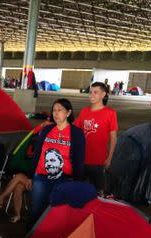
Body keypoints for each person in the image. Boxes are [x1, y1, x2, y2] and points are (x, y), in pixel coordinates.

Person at [28, 99, 85, 227]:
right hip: (41, 177)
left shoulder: (76, 133)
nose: (56, 113)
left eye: (60, 110)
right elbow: (37, 154)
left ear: (68, 113)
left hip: (64, 179)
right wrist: (30, 175)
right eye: (54, 110)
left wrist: (77, 181)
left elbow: (79, 159)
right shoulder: (47, 130)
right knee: (36, 211)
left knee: (58, 213)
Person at [74, 82, 118, 195]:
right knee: (80, 190)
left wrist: (110, 157)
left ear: (103, 94)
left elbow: (113, 137)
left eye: (95, 92)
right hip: (82, 158)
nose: (91, 95)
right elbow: (74, 129)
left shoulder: (110, 113)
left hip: (99, 161)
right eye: (90, 92)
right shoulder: (84, 111)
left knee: (99, 191)